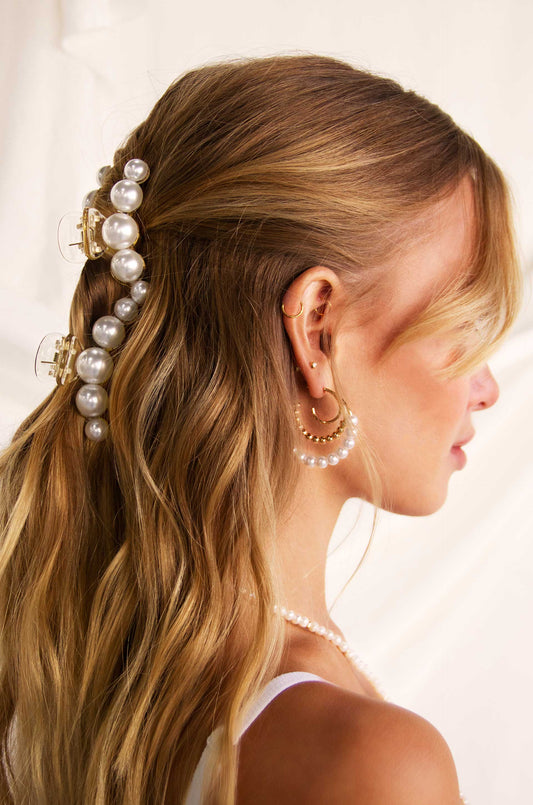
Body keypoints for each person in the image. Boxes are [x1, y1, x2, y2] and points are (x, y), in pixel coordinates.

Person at [0, 53, 522, 805]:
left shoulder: (58, 672)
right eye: (465, 326)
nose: (487, 387)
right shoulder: (367, 761)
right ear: (316, 328)